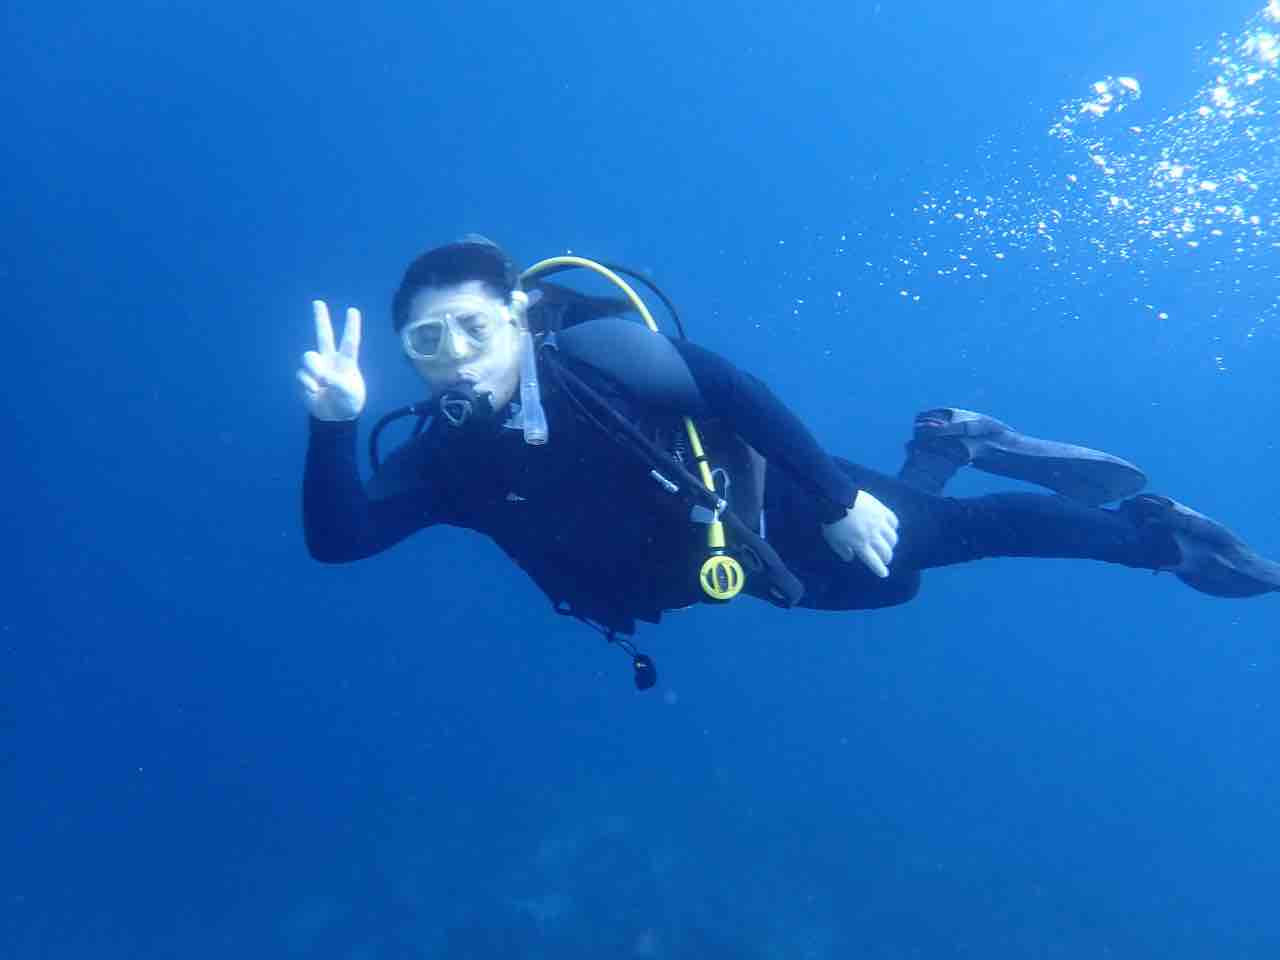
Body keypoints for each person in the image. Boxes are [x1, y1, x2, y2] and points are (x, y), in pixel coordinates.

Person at [299, 237, 1279, 685]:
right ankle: (944, 444)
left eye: (472, 328)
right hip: (731, 569)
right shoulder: (445, 464)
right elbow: (340, 541)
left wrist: (838, 498)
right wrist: (334, 424)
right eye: (426, 343)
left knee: (944, 539)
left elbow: (731, 390)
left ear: (515, 315)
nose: (454, 358)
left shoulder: (595, 358)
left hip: (783, 504)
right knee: (890, 589)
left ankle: (1159, 541)